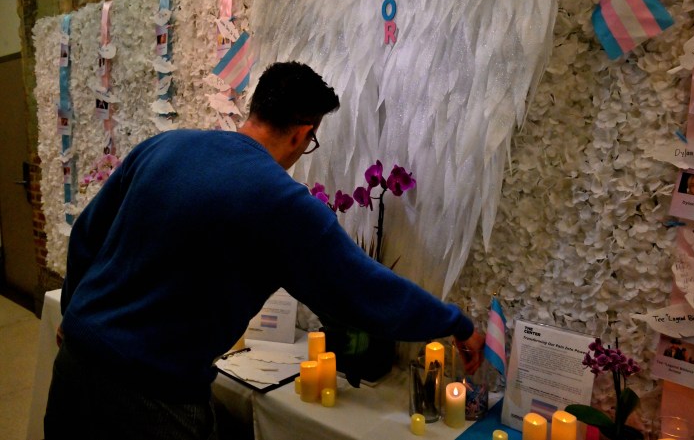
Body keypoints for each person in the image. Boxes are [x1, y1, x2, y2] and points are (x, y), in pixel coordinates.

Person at [45, 61, 485, 440]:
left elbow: (87, 234)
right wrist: (456, 323)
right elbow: (365, 292)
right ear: (302, 134)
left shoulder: (163, 146)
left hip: (76, 365)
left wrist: (74, 310)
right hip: (154, 400)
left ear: (256, 109)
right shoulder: (282, 203)